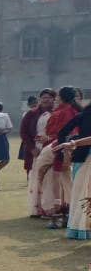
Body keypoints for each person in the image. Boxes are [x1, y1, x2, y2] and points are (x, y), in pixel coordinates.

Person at [35, 86, 80, 227]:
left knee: (53, 177)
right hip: (67, 147)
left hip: (61, 148)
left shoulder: (64, 111)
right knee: (63, 179)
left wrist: (51, 140)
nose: (56, 99)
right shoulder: (72, 110)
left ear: (62, 97)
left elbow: (65, 134)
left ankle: (56, 210)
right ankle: (66, 211)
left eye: (57, 96)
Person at [53, 104, 91, 239]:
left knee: (81, 192)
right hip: (84, 157)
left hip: (83, 157)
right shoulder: (84, 116)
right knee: (82, 192)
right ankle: (81, 227)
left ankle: (81, 227)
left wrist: (72, 143)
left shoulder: (83, 115)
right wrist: (72, 144)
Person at [22, 89, 55, 217]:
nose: (46, 100)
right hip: (35, 151)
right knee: (35, 178)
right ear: (39, 99)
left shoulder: (57, 113)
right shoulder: (31, 113)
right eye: (43, 97)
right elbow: (23, 132)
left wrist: (49, 140)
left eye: (49, 97)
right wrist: (32, 148)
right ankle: (35, 209)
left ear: (54, 99)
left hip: (51, 149)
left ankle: (49, 208)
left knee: (49, 179)